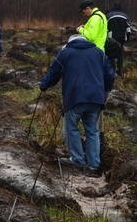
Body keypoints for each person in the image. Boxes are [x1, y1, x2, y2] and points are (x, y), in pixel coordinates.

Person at [39, 34, 116, 174]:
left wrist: (44, 85)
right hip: (96, 99)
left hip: (74, 97)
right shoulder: (99, 52)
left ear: (70, 42)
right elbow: (110, 74)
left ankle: (78, 160)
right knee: (92, 130)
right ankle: (94, 164)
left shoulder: (66, 53)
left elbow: (54, 72)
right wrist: (105, 92)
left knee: (71, 128)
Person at [106, 3, 131, 75]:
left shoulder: (109, 15)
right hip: (122, 38)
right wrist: (127, 39)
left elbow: (106, 28)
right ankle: (120, 70)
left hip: (112, 38)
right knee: (120, 54)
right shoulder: (125, 16)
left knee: (111, 54)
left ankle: (112, 70)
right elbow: (128, 29)